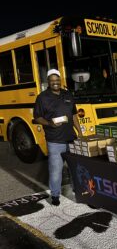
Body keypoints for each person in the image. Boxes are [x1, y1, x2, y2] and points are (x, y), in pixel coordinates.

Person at [34, 69, 82, 206]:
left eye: (57, 80)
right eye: (52, 80)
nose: (55, 82)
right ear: (48, 82)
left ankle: (77, 190)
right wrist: (49, 123)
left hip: (71, 139)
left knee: (75, 168)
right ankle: (55, 195)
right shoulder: (42, 97)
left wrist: (80, 133)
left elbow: (73, 116)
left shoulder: (67, 94)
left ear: (60, 80)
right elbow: (37, 117)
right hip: (55, 140)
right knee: (56, 170)